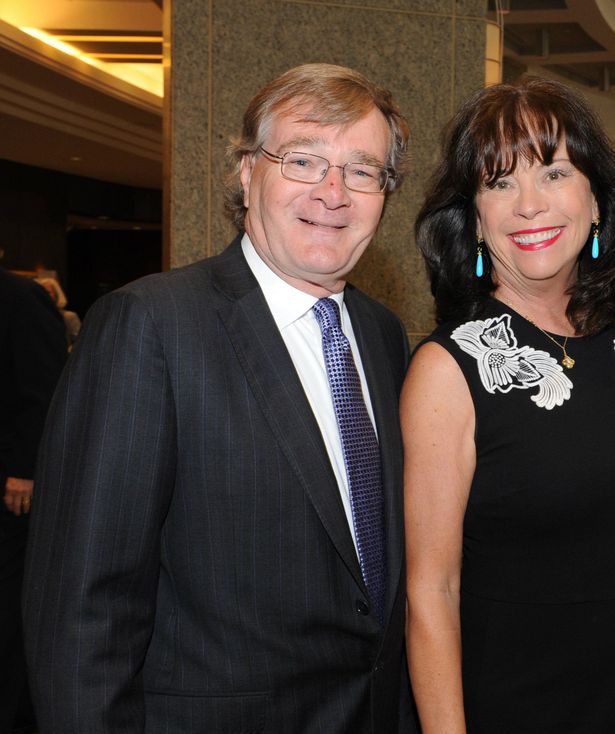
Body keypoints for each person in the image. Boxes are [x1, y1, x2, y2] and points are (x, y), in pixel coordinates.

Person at [24, 64, 416, 733]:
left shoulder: (383, 336)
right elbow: (84, 611)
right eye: (303, 159)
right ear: (245, 172)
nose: (333, 192)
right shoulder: (150, 325)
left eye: (362, 170)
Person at [403, 77, 615, 733]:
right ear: (474, 217)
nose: (529, 204)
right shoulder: (448, 370)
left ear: (595, 201)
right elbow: (431, 593)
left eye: (555, 173)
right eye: (500, 182)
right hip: (524, 706)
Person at [0, 266, 66, 734]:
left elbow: (45, 392)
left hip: (13, 491)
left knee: (8, 612)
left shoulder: (21, 298)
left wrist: (26, 471)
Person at [35, 275, 82, 349]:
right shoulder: (36, 317)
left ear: (57, 294)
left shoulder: (69, 316)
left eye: (48, 292)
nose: (44, 295)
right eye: (41, 291)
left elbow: (80, 342)